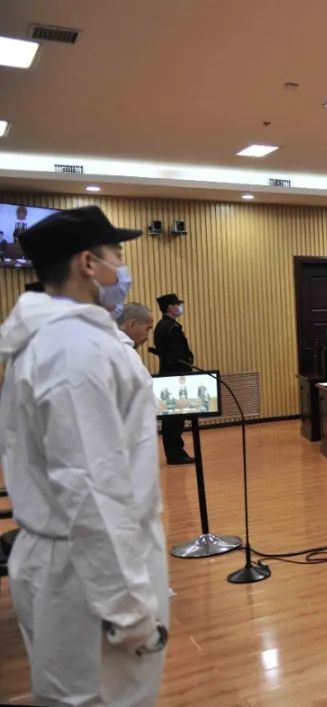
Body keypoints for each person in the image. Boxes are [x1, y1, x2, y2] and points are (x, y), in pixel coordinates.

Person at [0, 205, 169, 706]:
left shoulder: (70, 340)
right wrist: (128, 611)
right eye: (116, 254)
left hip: (85, 563)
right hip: (86, 575)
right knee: (99, 696)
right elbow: (90, 487)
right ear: (88, 264)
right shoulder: (72, 351)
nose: (122, 266)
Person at [154, 292, 195, 464]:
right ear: (171, 307)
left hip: (170, 376)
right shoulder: (170, 328)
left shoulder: (164, 326)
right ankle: (175, 454)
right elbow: (178, 356)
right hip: (175, 377)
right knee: (174, 420)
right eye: (178, 304)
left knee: (173, 419)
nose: (180, 307)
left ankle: (175, 452)